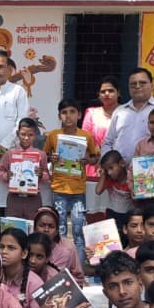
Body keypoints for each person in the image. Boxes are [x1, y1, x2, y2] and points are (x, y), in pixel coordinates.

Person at [45, 98, 101, 266]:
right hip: (59, 188)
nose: (68, 116)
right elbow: (43, 156)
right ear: (59, 116)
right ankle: (59, 266)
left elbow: (95, 157)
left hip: (78, 190)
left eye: (72, 112)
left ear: (79, 115)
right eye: (64, 112)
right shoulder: (53, 135)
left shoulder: (86, 136)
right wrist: (52, 158)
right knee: (60, 230)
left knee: (78, 230)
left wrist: (87, 160)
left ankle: (79, 268)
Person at [101, 68, 154, 161]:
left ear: (152, 85)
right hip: (119, 169)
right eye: (133, 84)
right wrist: (109, 162)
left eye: (142, 83)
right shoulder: (119, 112)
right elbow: (108, 143)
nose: (137, 86)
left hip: (151, 169)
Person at [0, 117, 50, 219]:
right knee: (13, 225)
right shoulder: (10, 153)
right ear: (17, 134)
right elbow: (0, 171)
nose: (26, 138)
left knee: (33, 224)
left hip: (33, 198)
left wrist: (41, 175)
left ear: (35, 135)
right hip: (14, 197)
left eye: (30, 135)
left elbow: (47, 175)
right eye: (23, 134)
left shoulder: (41, 154)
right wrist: (6, 175)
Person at [83, 75, 121, 180]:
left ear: (118, 93)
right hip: (94, 164)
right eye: (103, 91)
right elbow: (85, 139)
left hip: (120, 164)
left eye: (111, 91)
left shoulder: (126, 113)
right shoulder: (92, 113)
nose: (106, 94)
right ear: (99, 95)